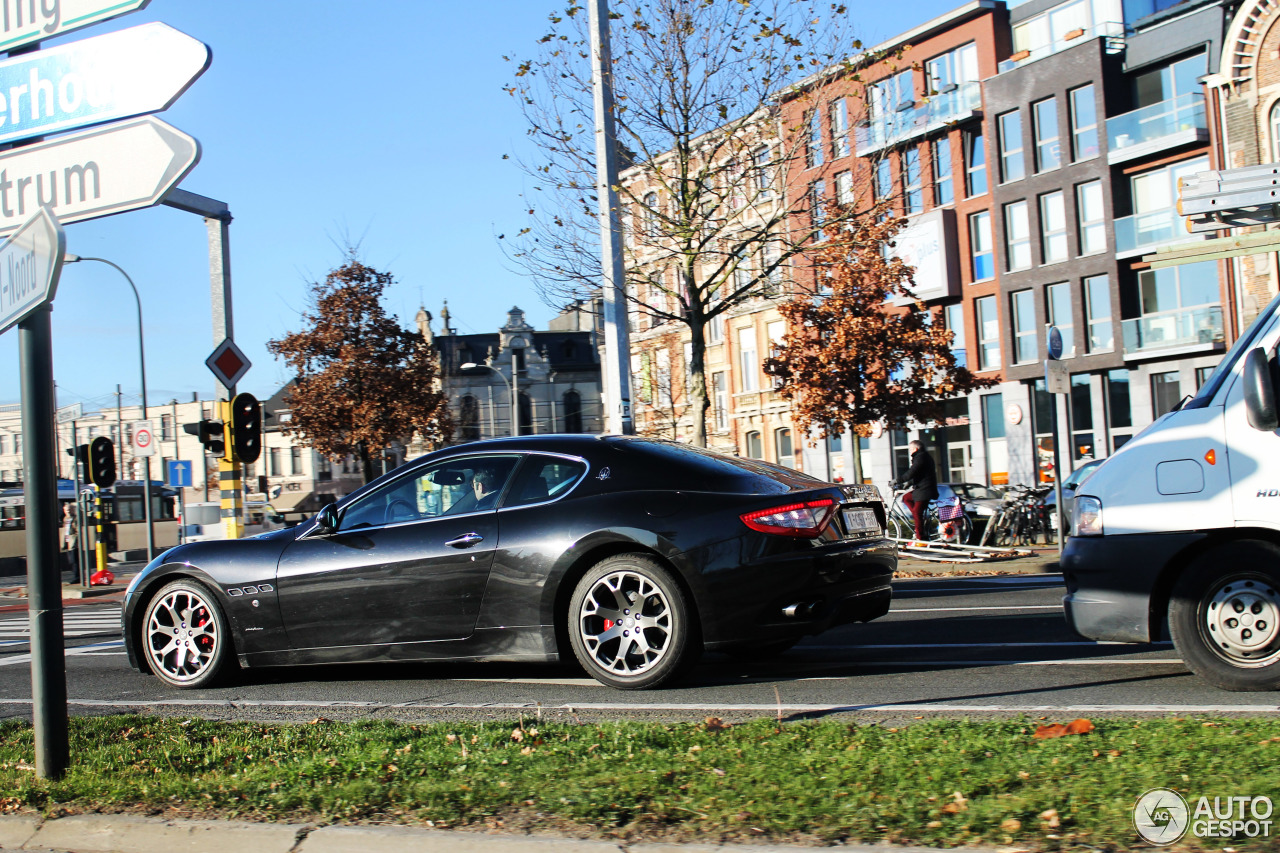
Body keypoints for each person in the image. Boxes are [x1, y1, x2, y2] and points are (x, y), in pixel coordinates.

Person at [894, 439, 938, 541]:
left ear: (915, 449)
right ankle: (919, 522)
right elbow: (918, 474)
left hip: (925, 490)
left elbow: (912, 472)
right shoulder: (922, 457)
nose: (909, 451)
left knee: (917, 512)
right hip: (921, 489)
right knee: (906, 498)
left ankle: (921, 537)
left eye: (910, 449)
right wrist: (908, 484)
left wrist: (897, 480)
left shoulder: (921, 457)